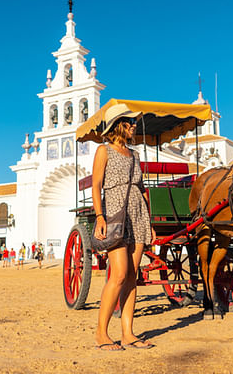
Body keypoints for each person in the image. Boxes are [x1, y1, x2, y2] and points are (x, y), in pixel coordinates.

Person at [92, 104, 155, 350]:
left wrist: (148, 222)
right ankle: (101, 333)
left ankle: (128, 333)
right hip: (115, 213)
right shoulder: (103, 151)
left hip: (138, 213)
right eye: (131, 122)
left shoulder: (135, 155)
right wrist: (99, 216)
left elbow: (141, 189)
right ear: (120, 124)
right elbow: (96, 185)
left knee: (132, 276)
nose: (134, 126)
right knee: (118, 274)